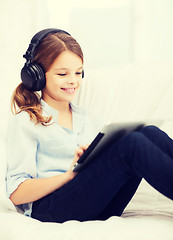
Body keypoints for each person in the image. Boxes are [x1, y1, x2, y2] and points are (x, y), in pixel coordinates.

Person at [6, 28, 173, 223]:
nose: (73, 81)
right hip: (50, 208)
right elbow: (16, 194)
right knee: (132, 144)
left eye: (78, 72)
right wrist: (68, 175)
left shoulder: (90, 119)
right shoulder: (26, 121)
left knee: (149, 132)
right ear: (37, 76)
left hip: (97, 204)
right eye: (62, 74)